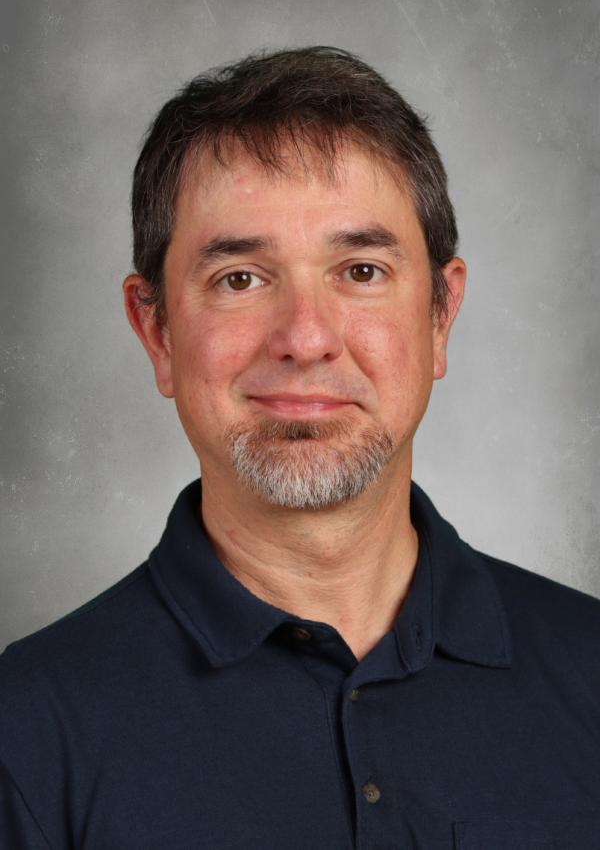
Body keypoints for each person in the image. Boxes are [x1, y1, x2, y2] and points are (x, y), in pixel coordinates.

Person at [1, 47, 600, 850]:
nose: (307, 338)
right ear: (157, 331)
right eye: (241, 278)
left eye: (360, 269)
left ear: (440, 316)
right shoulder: (26, 730)